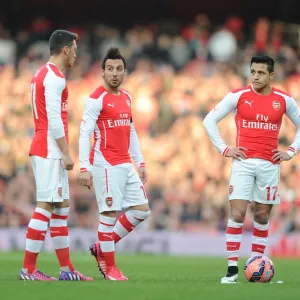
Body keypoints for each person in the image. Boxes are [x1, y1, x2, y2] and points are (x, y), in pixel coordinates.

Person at [203, 55, 300, 284]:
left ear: (271, 75)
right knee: (237, 214)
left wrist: (291, 151)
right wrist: (225, 150)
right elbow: (209, 120)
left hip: (269, 165)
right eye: (253, 72)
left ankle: (258, 264)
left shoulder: (284, 100)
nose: (255, 77)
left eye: (261, 73)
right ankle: (232, 269)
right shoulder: (238, 96)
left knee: (262, 215)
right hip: (243, 164)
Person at [20, 30, 92, 281]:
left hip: (46, 147)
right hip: (49, 149)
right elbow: (53, 119)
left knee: (61, 207)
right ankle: (28, 269)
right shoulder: (54, 78)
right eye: (74, 48)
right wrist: (66, 152)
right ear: (65, 50)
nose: (76, 52)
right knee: (47, 206)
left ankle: (66, 269)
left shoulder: (42, 74)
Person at [78, 47, 151, 281]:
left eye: (119, 69)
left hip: (125, 164)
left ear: (125, 72)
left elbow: (130, 131)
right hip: (104, 164)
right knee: (109, 214)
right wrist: (84, 168)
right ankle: (110, 268)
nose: (115, 73)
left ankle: (102, 247)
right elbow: (84, 134)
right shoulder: (96, 99)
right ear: (102, 72)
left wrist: (140, 161)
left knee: (142, 211)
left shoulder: (127, 97)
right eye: (110, 69)